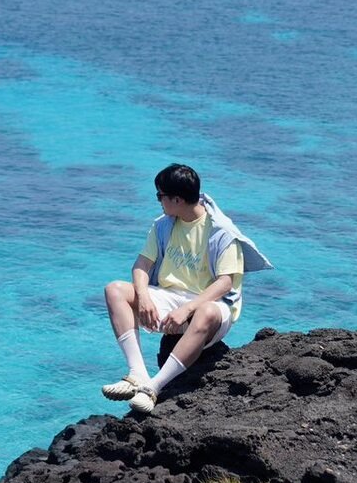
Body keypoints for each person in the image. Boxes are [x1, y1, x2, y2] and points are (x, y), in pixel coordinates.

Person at [100, 163, 271, 414]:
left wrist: (188, 308)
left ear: (177, 199)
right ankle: (137, 373)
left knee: (208, 312)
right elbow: (141, 265)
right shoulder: (164, 224)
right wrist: (144, 296)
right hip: (168, 298)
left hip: (210, 305)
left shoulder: (222, 232)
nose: (158, 201)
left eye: (161, 196)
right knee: (115, 289)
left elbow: (225, 283)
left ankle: (152, 388)